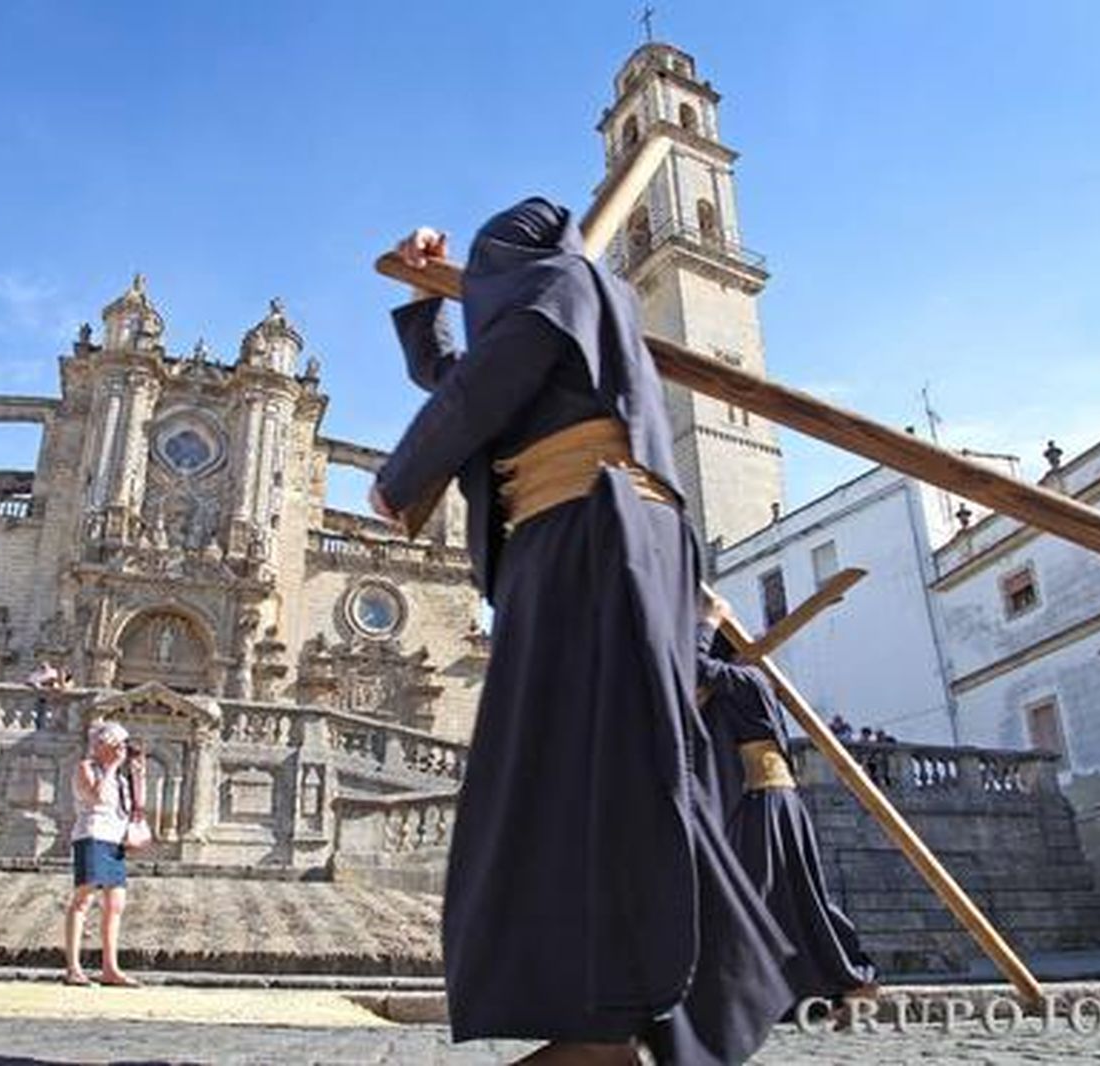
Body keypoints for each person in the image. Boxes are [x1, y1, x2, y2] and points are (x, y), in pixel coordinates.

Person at [370, 199, 792, 1064]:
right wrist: (424, 306)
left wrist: (403, 477)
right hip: (583, 545)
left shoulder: (569, 285)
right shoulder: (565, 310)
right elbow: (474, 377)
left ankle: (639, 1023)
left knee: (609, 769)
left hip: (594, 536)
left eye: (485, 269)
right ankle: (636, 1023)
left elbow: (483, 385)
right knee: (580, 771)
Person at [696, 593, 878, 1017]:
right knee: (791, 900)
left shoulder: (748, 681)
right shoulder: (741, 687)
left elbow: (695, 666)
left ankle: (851, 980)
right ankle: (833, 988)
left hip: (769, 804)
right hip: (765, 801)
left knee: (750, 896)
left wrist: (708, 622)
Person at [64, 719, 145, 987]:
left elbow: (135, 808)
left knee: (115, 905)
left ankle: (110, 968)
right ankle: (73, 968)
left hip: (115, 840)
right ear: (101, 745)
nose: (121, 750)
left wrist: (137, 776)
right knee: (83, 901)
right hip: (91, 834)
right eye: (116, 744)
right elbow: (95, 797)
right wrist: (110, 768)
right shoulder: (85, 768)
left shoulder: (120, 778)